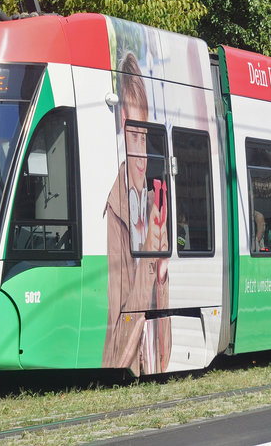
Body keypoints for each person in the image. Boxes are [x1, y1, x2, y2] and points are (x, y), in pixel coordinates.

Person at [103, 53, 170, 374]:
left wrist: (162, 271)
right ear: (122, 124)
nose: (142, 155)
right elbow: (116, 350)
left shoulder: (154, 203)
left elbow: (164, 336)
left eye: (145, 138)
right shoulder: (115, 211)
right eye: (134, 136)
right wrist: (150, 256)